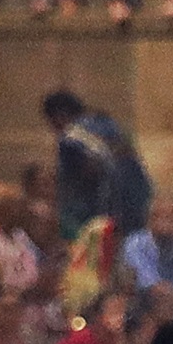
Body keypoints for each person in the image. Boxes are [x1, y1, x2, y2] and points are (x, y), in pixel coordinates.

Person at [44, 85, 152, 243]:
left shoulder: (70, 141)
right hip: (136, 204)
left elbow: (88, 173)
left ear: (59, 116)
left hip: (101, 213)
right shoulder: (108, 124)